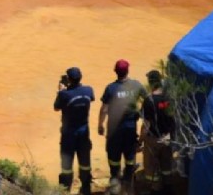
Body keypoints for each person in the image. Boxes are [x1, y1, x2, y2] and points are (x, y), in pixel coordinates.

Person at [98, 59, 148, 195]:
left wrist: (100, 125)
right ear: (127, 71)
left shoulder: (111, 88)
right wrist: (141, 112)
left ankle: (115, 183)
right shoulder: (136, 85)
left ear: (116, 71)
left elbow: (104, 109)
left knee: (114, 158)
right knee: (130, 157)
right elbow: (148, 100)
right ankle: (128, 185)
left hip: (114, 130)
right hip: (130, 128)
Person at [53, 67, 95, 195]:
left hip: (68, 136)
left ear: (69, 79)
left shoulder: (64, 95)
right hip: (83, 134)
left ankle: (65, 190)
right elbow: (91, 98)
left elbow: (56, 107)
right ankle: (86, 189)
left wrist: (60, 91)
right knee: (85, 165)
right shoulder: (88, 90)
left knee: (66, 167)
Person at [139, 70, 175, 195]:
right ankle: (168, 189)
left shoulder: (149, 101)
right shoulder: (168, 98)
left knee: (151, 170)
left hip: (153, 140)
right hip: (167, 138)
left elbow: (146, 125)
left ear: (150, 83)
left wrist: (140, 141)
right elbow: (173, 119)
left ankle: (155, 190)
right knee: (167, 168)